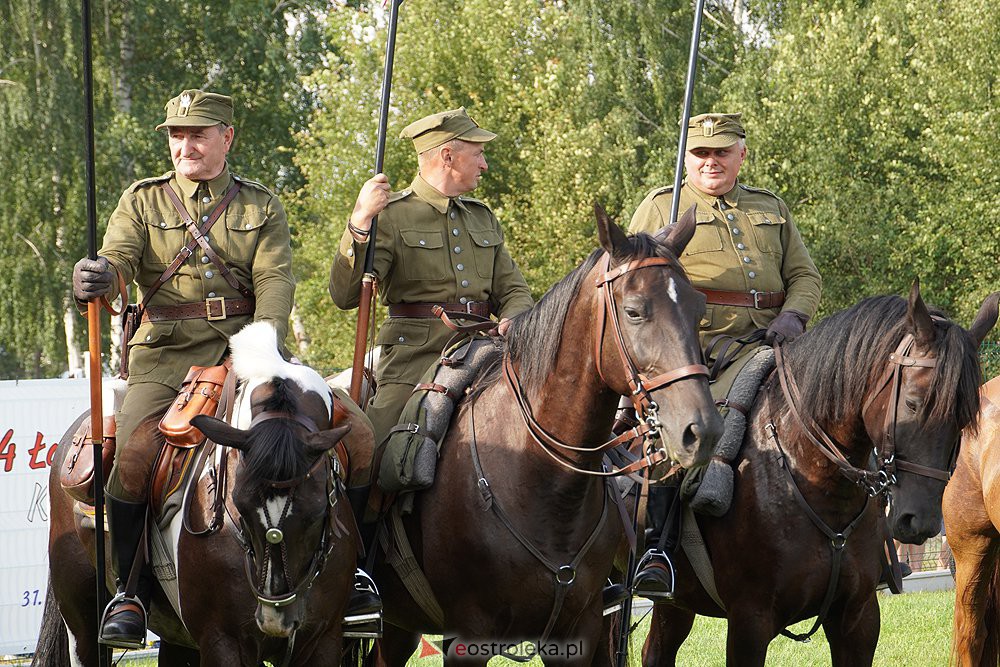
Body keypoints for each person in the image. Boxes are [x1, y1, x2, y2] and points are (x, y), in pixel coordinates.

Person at [71, 89, 298, 648]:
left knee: (341, 431)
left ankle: (350, 576)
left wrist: (262, 348)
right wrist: (100, 277)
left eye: (198, 134)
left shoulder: (260, 205)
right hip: (165, 355)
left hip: (245, 350)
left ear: (227, 137)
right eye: (177, 135)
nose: (185, 145)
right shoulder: (143, 201)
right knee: (132, 455)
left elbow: (274, 281)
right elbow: (120, 260)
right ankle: (129, 592)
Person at [626, 112, 822, 599]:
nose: (710, 161)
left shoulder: (770, 206)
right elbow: (632, 282)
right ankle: (658, 550)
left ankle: (865, 544)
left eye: (721, 152)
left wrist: (794, 316)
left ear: (741, 154)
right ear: (686, 159)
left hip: (778, 340)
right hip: (699, 352)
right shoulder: (662, 206)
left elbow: (805, 276)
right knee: (677, 429)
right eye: (700, 153)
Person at [329, 107, 534, 445]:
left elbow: (513, 290)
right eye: (479, 154)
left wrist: (514, 317)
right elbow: (345, 295)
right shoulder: (390, 215)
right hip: (415, 360)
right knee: (373, 446)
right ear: (448, 156)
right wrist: (360, 221)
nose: (485, 164)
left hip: (483, 349)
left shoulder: (482, 217)